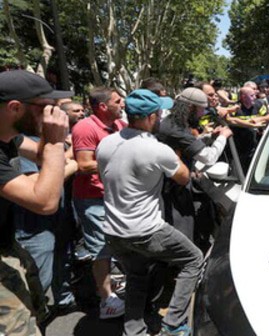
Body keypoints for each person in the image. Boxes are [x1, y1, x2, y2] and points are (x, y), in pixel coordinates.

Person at [97, 89, 203, 336]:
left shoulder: (106, 143)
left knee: (136, 275)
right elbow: (183, 177)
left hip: (113, 230)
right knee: (193, 259)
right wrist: (176, 157)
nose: (160, 118)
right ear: (149, 117)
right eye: (158, 114)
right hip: (146, 229)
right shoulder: (155, 148)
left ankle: (134, 331)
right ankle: (174, 324)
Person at [0, 69, 72, 335]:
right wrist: (55, 141)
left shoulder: (10, 137)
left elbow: (45, 160)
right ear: (15, 108)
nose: (54, 112)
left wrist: (51, 143)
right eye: (45, 107)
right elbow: (44, 202)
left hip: (8, 245)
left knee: (34, 312)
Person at [71, 87, 126, 319]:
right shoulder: (85, 128)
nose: (123, 103)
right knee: (101, 248)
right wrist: (122, 158)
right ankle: (106, 301)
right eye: (118, 100)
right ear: (103, 106)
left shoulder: (120, 126)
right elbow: (84, 165)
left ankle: (114, 285)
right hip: (93, 199)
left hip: (116, 196)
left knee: (119, 243)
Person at [156, 87, 233, 241]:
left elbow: (189, 144)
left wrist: (210, 136)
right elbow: (208, 157)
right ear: (191, 108)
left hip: (177, 187)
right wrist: (222, 137)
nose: (203, 114)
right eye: (201, 110)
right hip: (172, 192)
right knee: (184, 237)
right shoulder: (174, 129)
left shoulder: (175, 123)